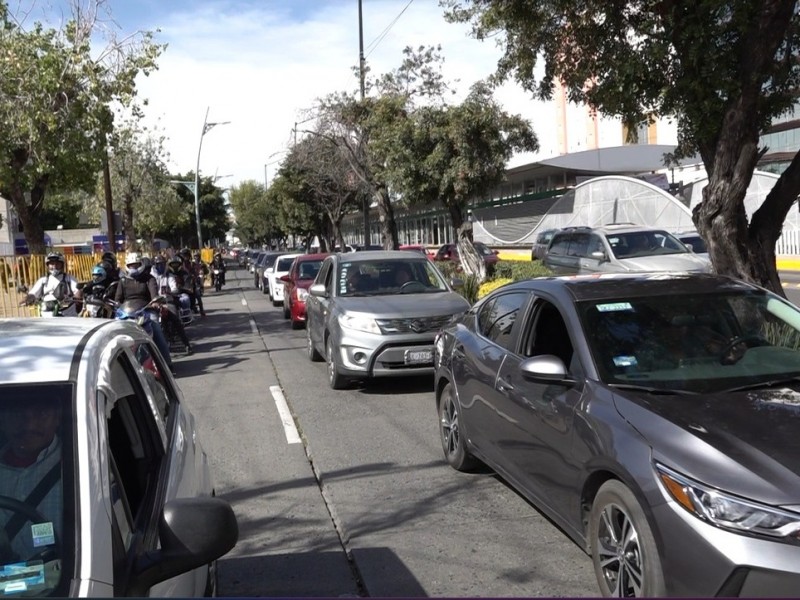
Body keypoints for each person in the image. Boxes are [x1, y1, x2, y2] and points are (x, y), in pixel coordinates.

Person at [0, 396, 63, 563]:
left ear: (57, 417)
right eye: (16, 414)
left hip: (64, 583)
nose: (28, 425)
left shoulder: (82, 467)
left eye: (41, 413)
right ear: (2, 420)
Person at [115, 252, 175, 372]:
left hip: (146, 311)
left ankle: (167, 364)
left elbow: (154, 295)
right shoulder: (123, 281)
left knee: (156, 329)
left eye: (136, 265)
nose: (134, 267)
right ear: (127, 266)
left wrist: (155, 302)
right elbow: (118, 299)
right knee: (113, 334)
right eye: (131, 265)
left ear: (141, 264)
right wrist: (116, 306)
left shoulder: (149, 279)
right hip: (127, 314)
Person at [152, 255, 192, 354]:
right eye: (158, 264)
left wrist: (172, 292)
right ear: (155, 265)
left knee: (175, 319)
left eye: (162, 264)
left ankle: (187, 344)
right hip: (153, 303)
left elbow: (174, 287)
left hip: (167, 301)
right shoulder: (151, 277)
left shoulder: (169, 276)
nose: (160, 266)